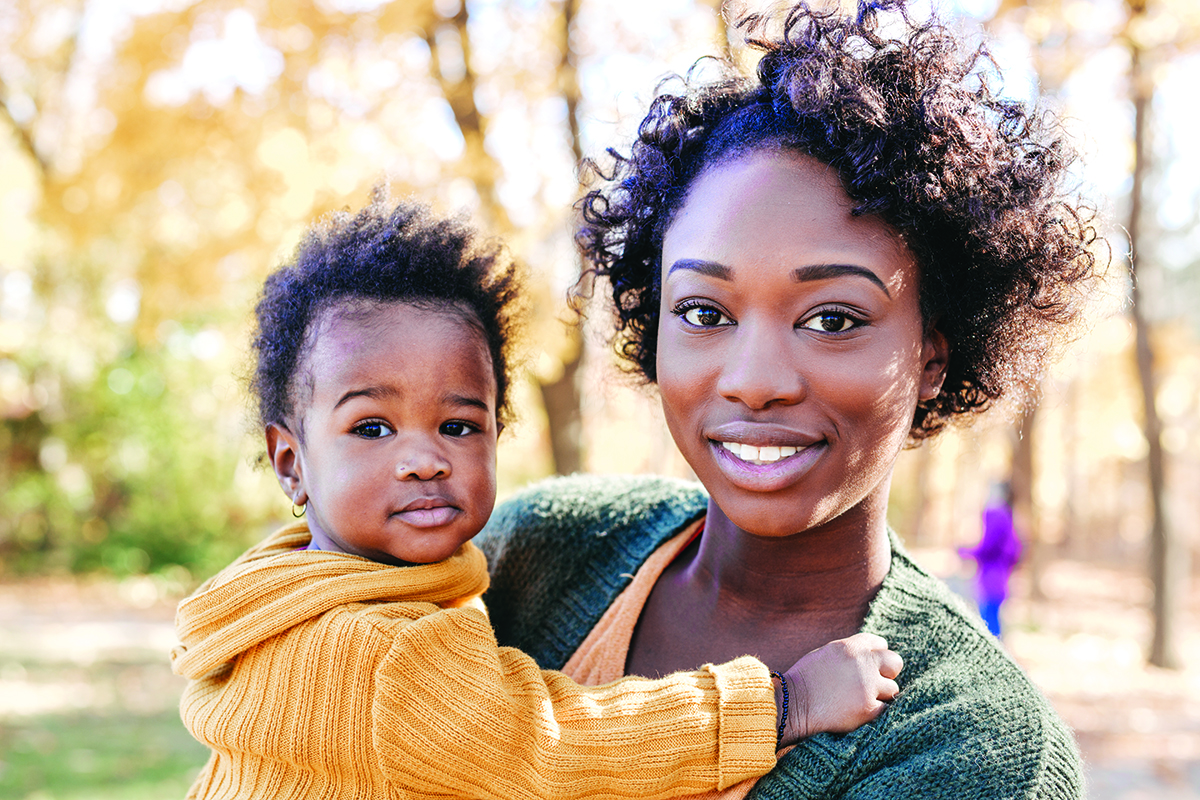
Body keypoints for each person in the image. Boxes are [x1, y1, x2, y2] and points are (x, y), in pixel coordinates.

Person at [477, 2, 1100, 798]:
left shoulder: (977, 749)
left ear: (932, 357)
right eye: (704, 313)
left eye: (833, 319)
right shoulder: (532, 557)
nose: (755, 379)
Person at [170, 196, 904, 800]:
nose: (425, 459)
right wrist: (784, 704)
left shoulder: (291, 593)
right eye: (372, 427)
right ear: (291, 464)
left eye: (459, 425)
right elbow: (555, 747)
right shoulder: (380, 654)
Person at [959, 482, 1023, 636]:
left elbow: (988, 546)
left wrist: (966, 552)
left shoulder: (996, 514)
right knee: (992, 621)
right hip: (1000, 578)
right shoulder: (1008, 515)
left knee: (989, 625)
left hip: (991, 579)